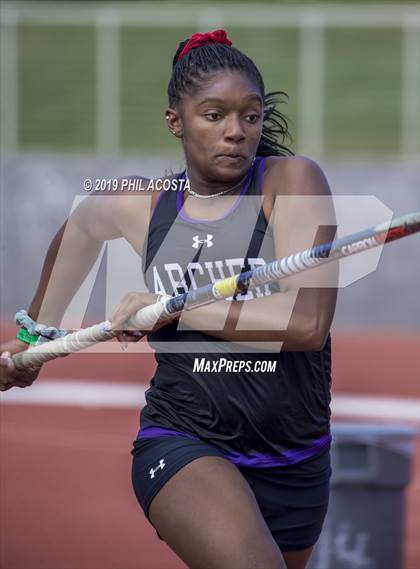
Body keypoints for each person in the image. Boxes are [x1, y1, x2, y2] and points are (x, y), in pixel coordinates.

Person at [0, 30, 337, 569]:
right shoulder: (143, 205)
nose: (236, 133)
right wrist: (35, 340)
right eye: (214, 116)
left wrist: (169, 304)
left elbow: (306, 326)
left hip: (297, 457)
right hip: (185, 437)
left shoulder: (292, 181)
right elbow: (82, 227)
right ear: (175, 122)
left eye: (249, 117)